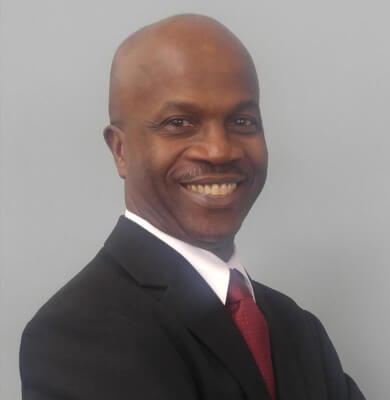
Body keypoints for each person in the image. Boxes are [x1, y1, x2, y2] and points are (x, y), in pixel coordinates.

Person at [20, 14, 365, 400]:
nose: (219, 150)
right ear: (120, 150)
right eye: (179, 122)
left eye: (242, 121)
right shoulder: (77, 334)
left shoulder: (297, 329)